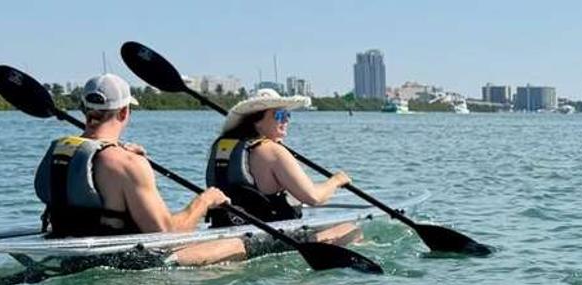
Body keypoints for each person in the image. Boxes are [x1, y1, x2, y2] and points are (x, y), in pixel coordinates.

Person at [32, 74, 229, 249]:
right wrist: (205, 202)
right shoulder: (127, 163)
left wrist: (136, 162)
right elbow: (166, 238)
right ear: (124, 112)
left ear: (84, 109)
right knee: (236, 246)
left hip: (68, 250)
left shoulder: (60, 152)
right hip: (123, 264)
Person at [205, 89, 355, 243]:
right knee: (351, 230)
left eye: (287, 115)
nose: (286, 120)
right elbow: (313, 197)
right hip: (268, 238)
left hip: (224, 228)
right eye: (279, 115)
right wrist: (336, 181)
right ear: (257, 121)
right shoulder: (273, 151)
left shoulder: (220, 147)